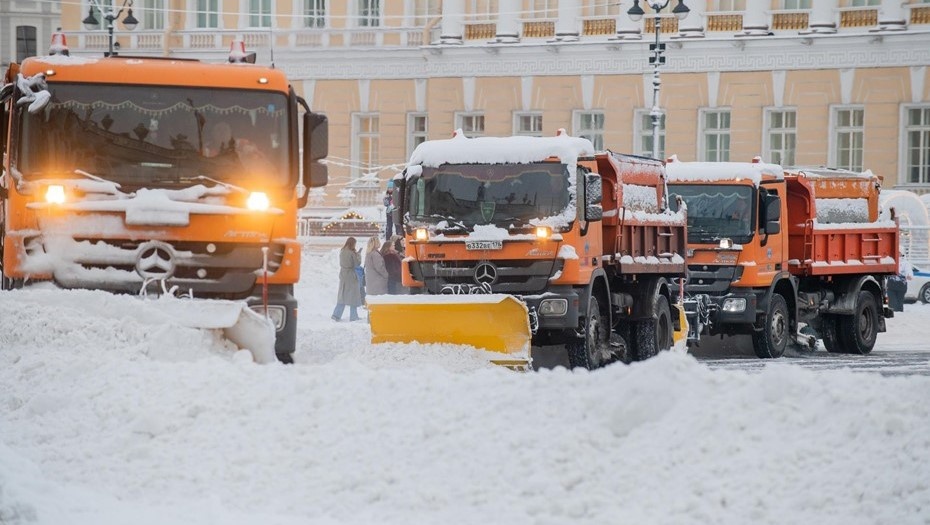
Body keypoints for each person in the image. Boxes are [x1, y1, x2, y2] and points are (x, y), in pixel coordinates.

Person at [331, 237, 363, 322]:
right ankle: (354, 316)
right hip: (351, 275)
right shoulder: (352, 253)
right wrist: (358, 255)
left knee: (342, 295)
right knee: (353, 296)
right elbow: (357, 264)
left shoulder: (342, 251)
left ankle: (336, 315)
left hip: (343, 274)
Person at [887, 247, 913, 312]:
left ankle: (900, 315)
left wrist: (909, 275)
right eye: (896, 252)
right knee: (892, 303)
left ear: (902, 253)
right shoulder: (891, 261)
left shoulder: (905, 263)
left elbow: (908, 271)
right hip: (891, 286)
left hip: (901, 286)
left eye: (899, 253)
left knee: (899, 303)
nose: (898, 254)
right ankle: (893, 316)